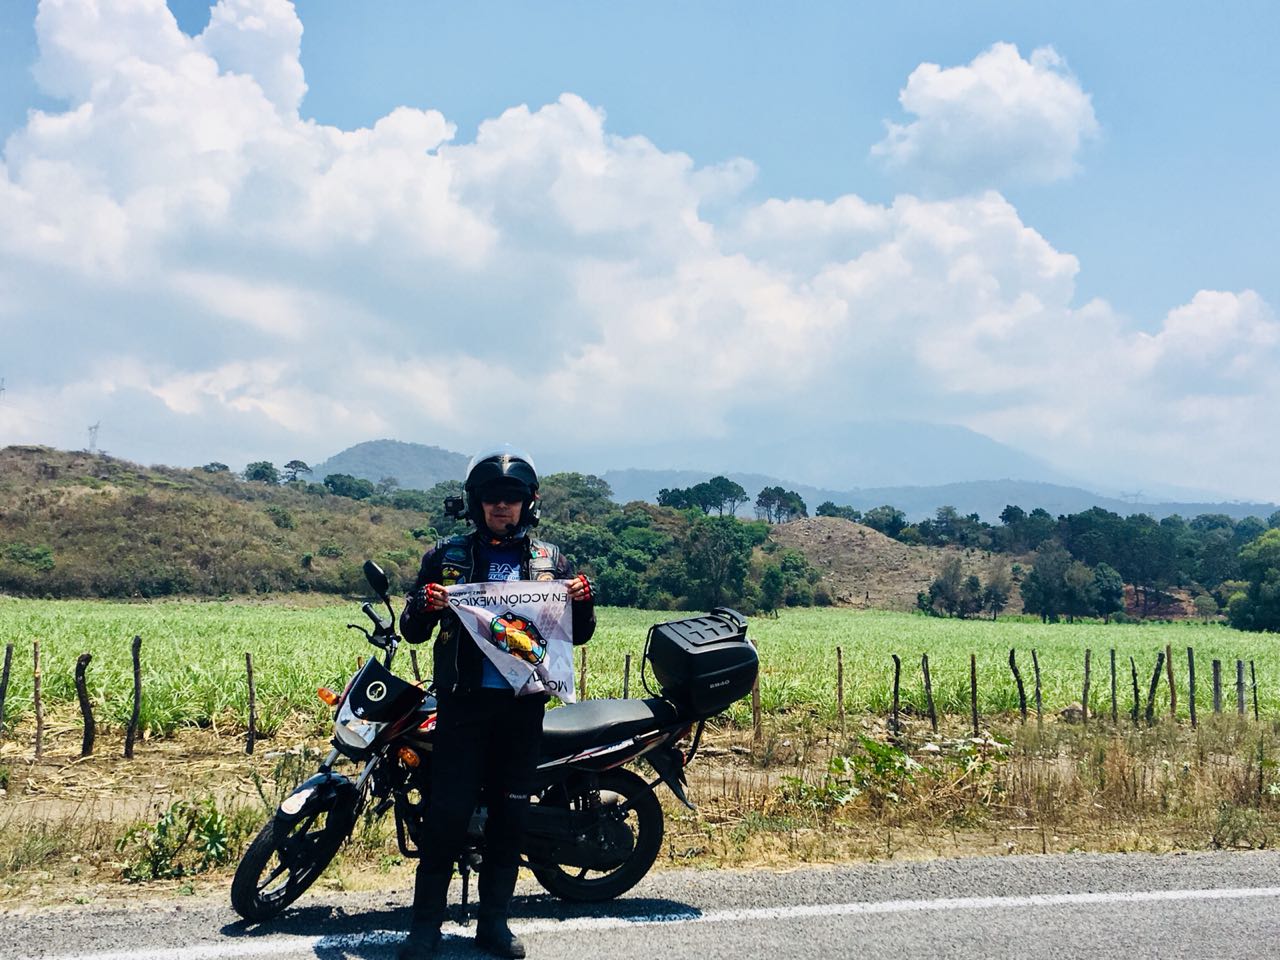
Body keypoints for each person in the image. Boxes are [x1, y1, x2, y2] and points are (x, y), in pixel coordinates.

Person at [397, 447, 595, 959]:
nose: (501, 507)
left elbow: (581, 634)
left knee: (510, 817)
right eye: (491, 499)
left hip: (522, 708)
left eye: (510, 498)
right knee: (448, 815)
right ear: (476, 503)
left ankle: (495, 926)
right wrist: (423, 604)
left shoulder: (551, 561)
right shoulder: (446, 557)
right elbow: (413, 631)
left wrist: (582, 601)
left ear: (528, 503)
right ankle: (424, 930)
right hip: (463, 707)